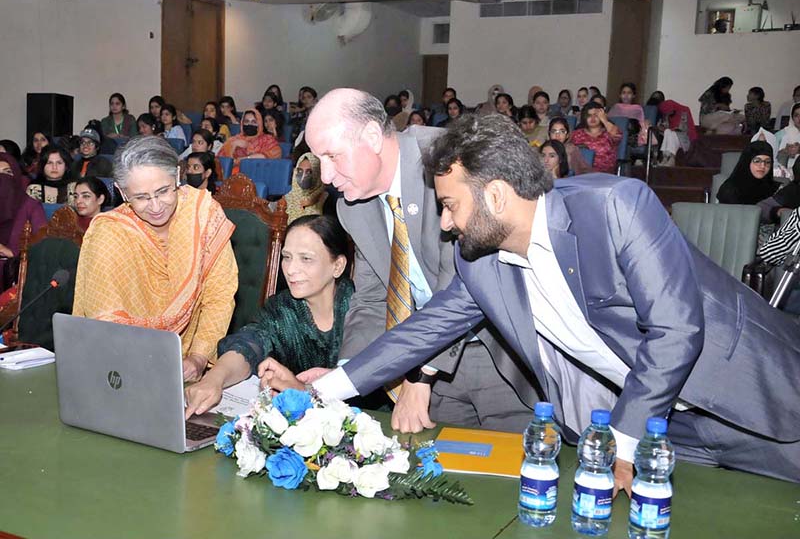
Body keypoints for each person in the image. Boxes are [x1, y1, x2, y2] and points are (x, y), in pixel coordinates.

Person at [265, 113, 800, 487]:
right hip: (664, 430)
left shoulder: (615, 206)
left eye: (450, 206)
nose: (445, 224)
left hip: (751, 396)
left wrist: (622, 439)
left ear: (496, 195)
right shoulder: (483, 262)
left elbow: (676, 331)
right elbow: (421, 332)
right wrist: (328, 389)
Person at [300, 88, 539, 434]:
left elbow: (458, 283)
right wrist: (350, 372)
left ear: (371, 135)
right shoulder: (352, 205)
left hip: (497, 351)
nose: (325, 177)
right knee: (441, 476)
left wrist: (418, 374)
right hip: (425, 360)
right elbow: (371, 298)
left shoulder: (450, 161)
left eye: (333, 156)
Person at [72, 136, 238, 381]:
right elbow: (105, 318)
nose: (156, 206)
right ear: (121, 191)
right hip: (123, 367)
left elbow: (220, 295)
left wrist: (199, 357)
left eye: (163, 191)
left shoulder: (203, 214)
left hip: (190, 363)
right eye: (140, 197)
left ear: (177, 178)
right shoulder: (109, 232)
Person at [183, 214, 352, 418]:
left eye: (306, 259)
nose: (291, 269)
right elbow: (249, 344)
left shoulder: (362, 310)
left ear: (338, 266)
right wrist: (214, 379)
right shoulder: (282, 309)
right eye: (287, 257)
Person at [0, 153, 46, 291]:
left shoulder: (31, 206)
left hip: (16, 274)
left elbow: (42, 246)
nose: (3, 179)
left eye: (8, 172)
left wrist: (14, 253)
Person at [216, 109, 281, 175]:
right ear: (242, 123)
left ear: (259, 123)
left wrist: (244, 156)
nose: (249, 124)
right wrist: (233, 146)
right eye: (246, 121)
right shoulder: (233, 140)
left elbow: (272, 155)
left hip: (259, 175)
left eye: (254, 122)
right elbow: (222, 162)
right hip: (234, 176)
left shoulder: (267, 139)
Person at [717, 141, 779, 205]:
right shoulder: (730, 190)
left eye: (767, 162)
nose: (763, 166)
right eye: (757, 161)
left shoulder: (776, 190)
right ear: (747, 162)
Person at [570, 103, 622, 173]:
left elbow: (617, 135)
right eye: (589, 115)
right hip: (581, 174)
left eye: (596, 115)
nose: (592, 118)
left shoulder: (609, 133)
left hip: (605, 175)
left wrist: (604, 120)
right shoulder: (576, 134)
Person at [284, 153, 327, 224]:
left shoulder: (328, 200)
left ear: (317, 173)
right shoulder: (287, 198)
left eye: (309, 172)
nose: (303, 176)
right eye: (300, 171)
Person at [775, 102, 800, 172]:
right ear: (792, 118)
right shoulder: (781, 135)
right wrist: (784, 152)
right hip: (785, 174)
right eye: (796, 115)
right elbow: (771, 157)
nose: (799, 118)